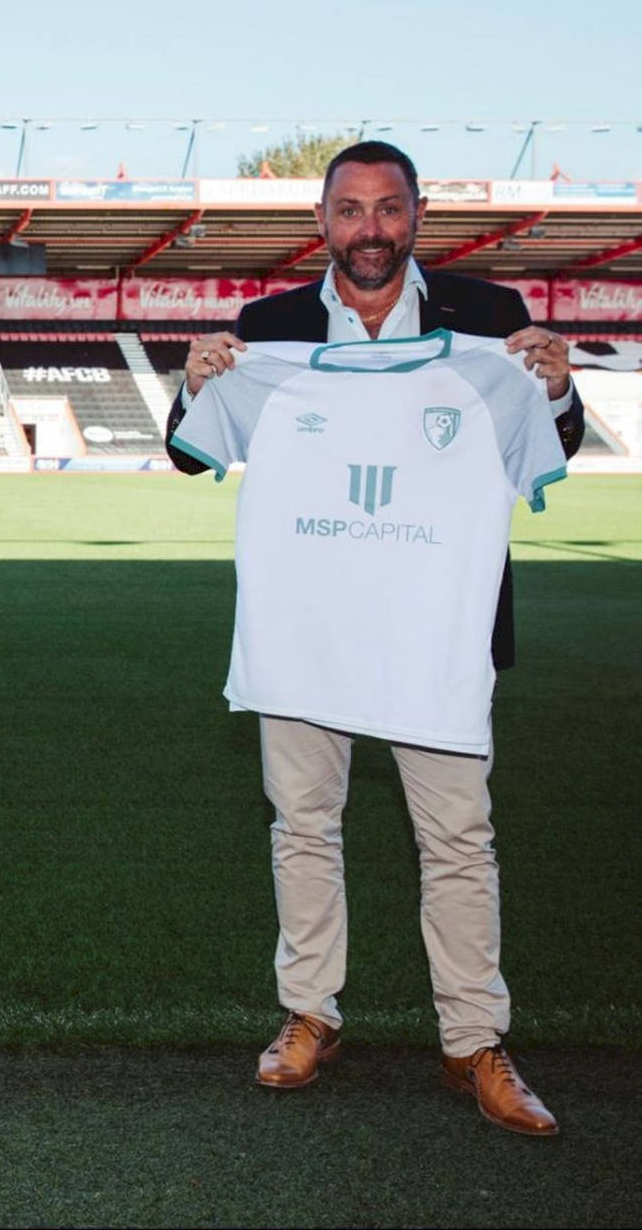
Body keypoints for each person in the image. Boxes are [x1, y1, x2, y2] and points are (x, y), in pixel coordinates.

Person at [166, 141, 579, 1135]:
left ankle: (474, 1039)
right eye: (349, 210)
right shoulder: (267, 332)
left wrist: (558, 389)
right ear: (323, 221)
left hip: (436, 632)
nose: (369, 229)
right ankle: (310, 1013)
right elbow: (189, 454)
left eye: (388, 208)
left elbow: (549, 444)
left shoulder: (488, 323)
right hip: (308, 633)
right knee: (303, 822)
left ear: (417, 216)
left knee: (458, 835)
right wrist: (193, 384)